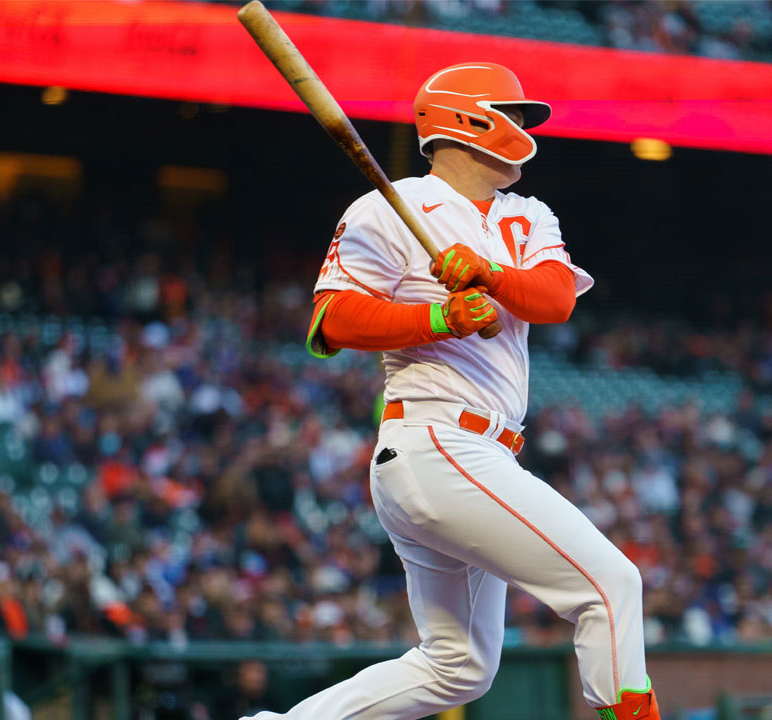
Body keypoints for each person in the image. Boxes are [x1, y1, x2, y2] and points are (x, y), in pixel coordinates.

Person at [246, 62, 657, 719]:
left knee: (458, 668)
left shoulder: (528, 214)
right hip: (438, 441)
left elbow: (554, 299)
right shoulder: (385, 207)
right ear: (470, 119)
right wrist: (438, 315)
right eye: (514, 113)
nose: (524, 127)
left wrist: (488, 274)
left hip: (476, 454)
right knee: (611, 585)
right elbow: (331, 322)